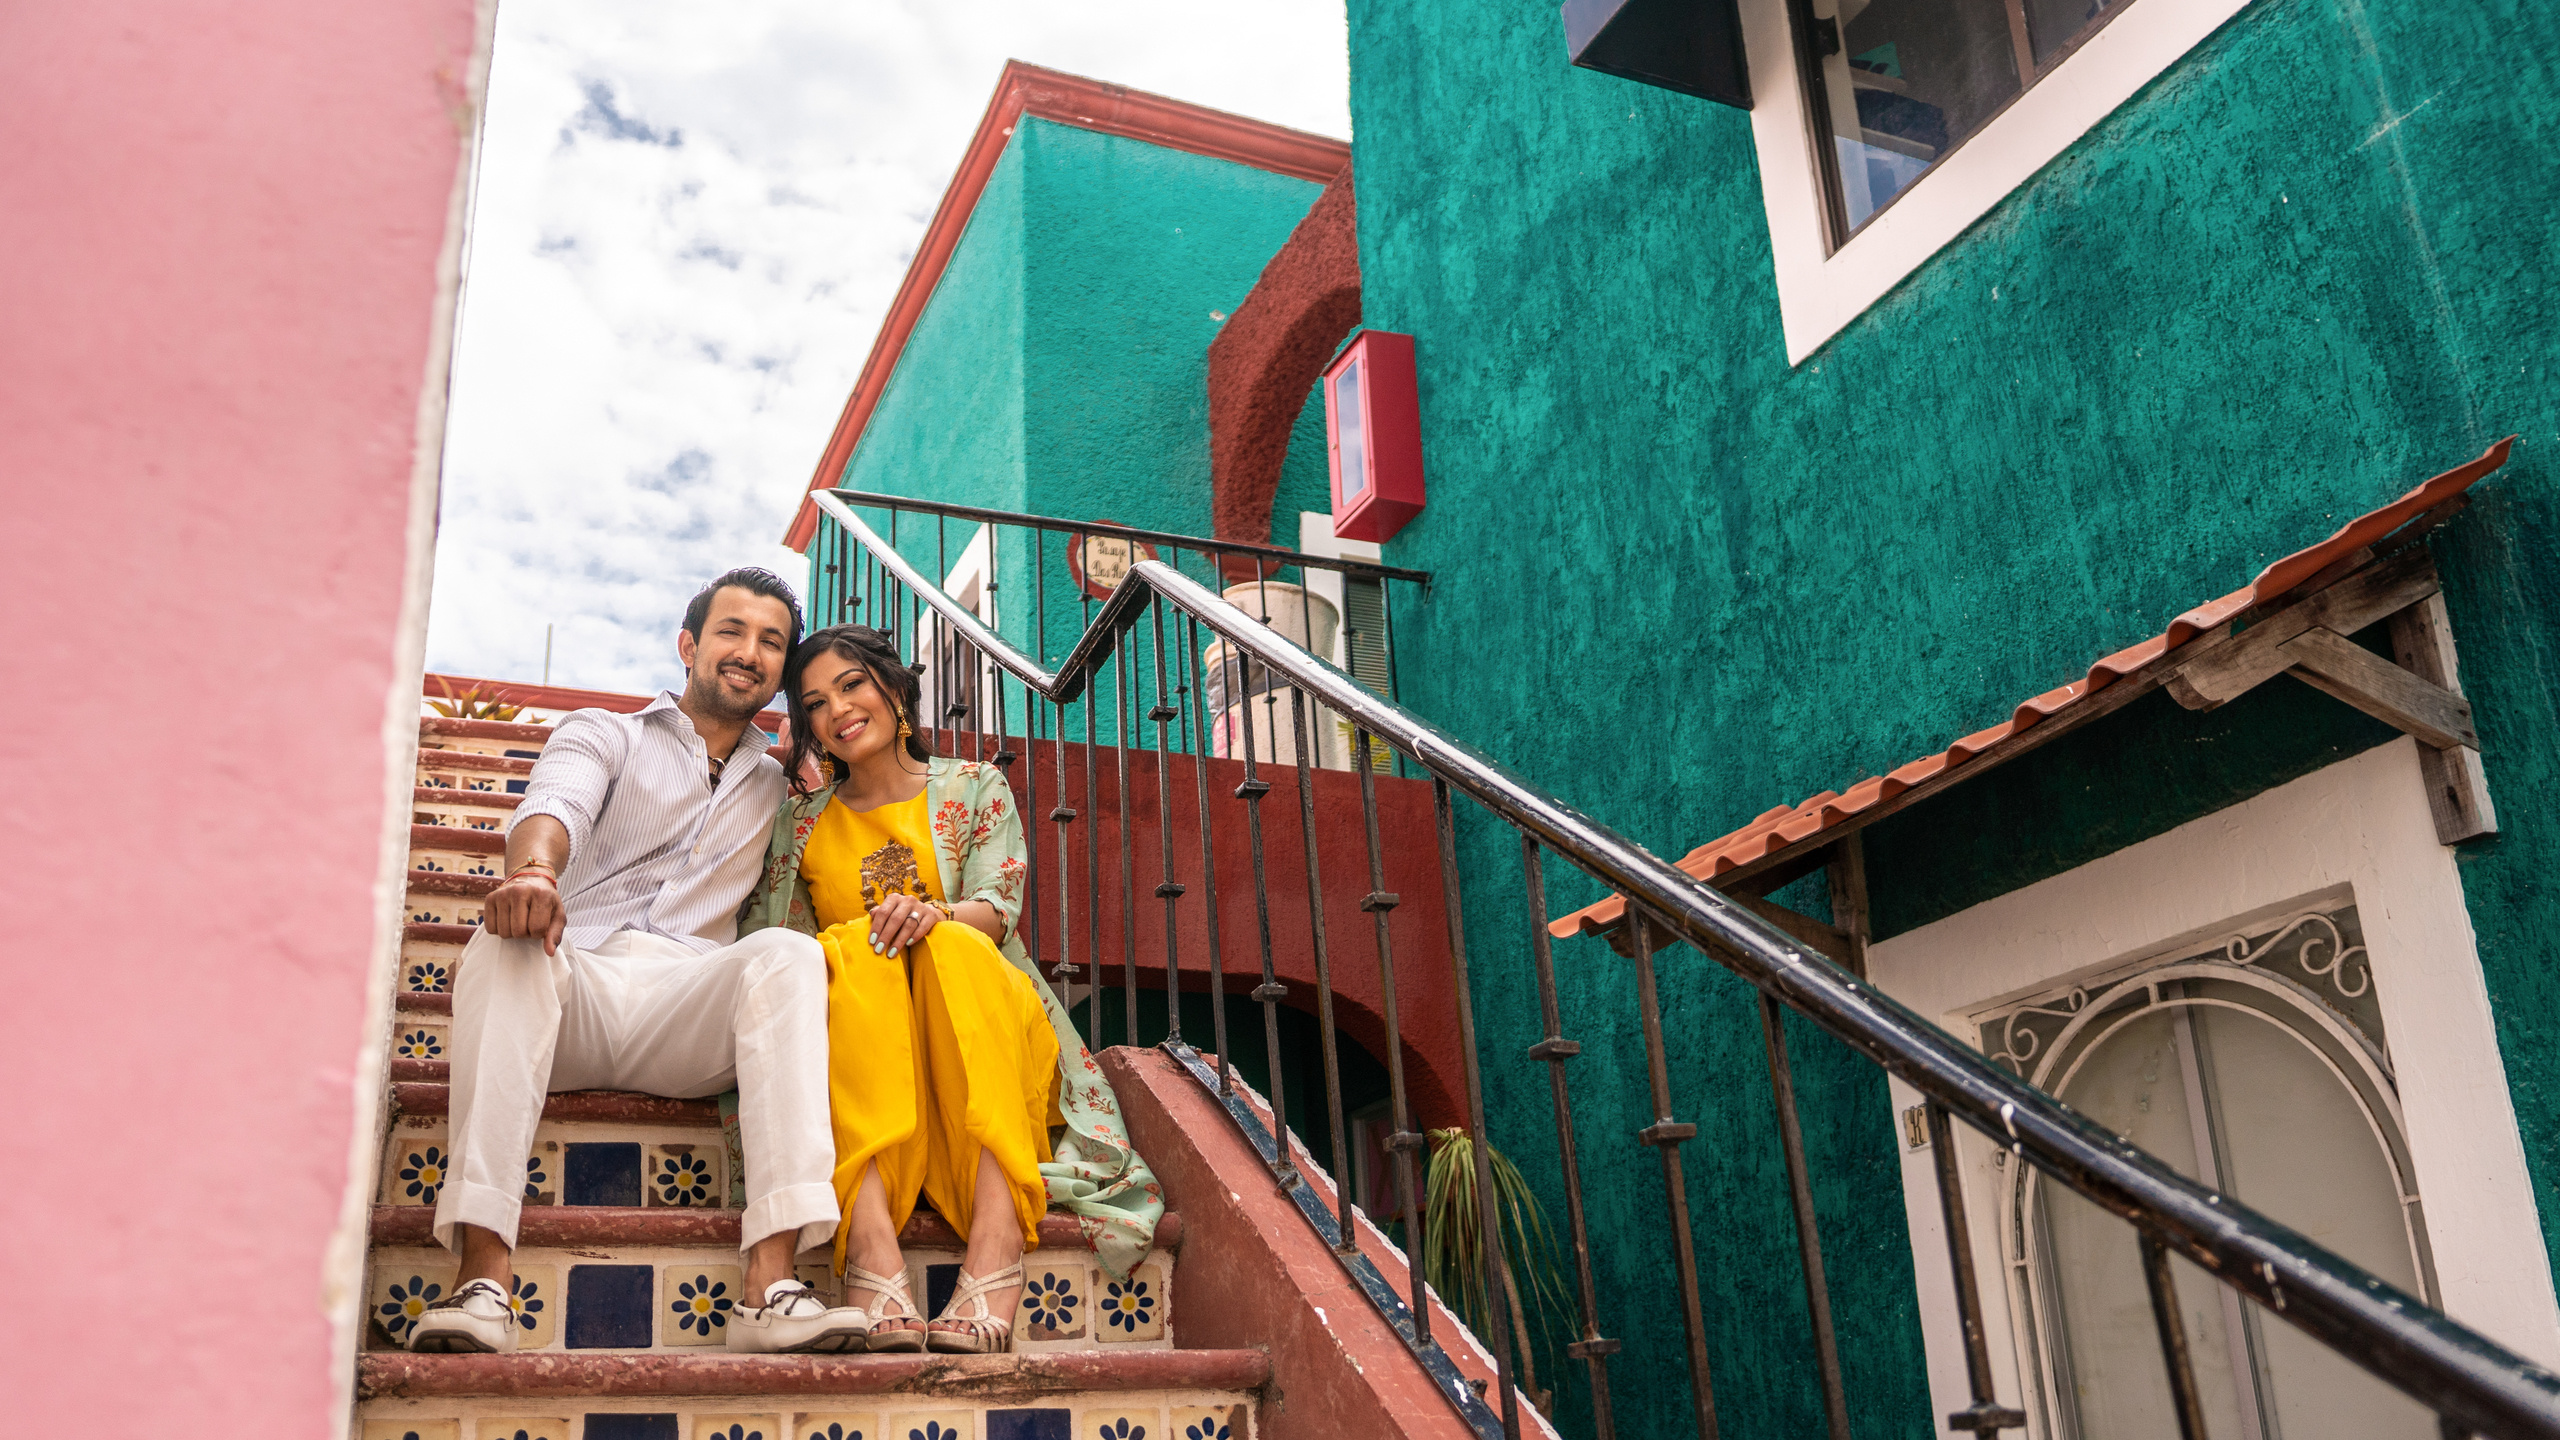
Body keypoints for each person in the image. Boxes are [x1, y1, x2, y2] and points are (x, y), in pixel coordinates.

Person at [407, 569, 867, 1355]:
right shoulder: (604, 732)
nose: (748, 653)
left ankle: (770, 1289)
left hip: (686, 1007)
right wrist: (534, 875)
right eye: (731, 631)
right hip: (569, 985)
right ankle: (483, 1278)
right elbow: (555, 805)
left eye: (770, 642)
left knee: (789, 956)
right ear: (689, 645)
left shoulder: (783, 783)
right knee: (506, 941)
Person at [737, 624, 1164, 1355]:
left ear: (894, 690)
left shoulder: (973, 786)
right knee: (840, 957)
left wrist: (929, 915)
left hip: (981, 1039)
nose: (836, 710)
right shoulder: (799, 825)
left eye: (851, 685)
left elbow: (997, 910)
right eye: (813, 704)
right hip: (867, 1060)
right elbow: (777, 948)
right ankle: (872, 1253)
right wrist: (869, 941)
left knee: (956, 941)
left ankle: (997, 1248)